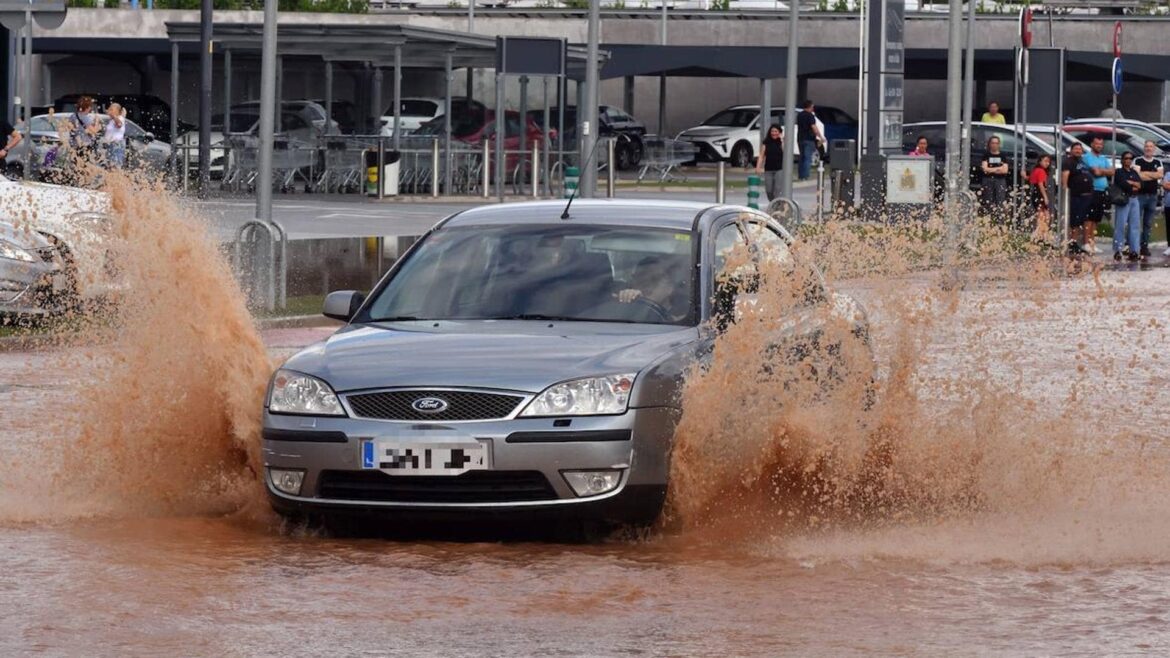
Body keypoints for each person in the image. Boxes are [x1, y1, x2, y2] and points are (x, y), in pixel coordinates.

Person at [616, 255, 689, 323]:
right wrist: (625, 300)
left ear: (671, 287)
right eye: (640, 278)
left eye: (655, 279)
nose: (646, 284)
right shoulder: (621, 306)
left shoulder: (687, 317)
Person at [1081, 136, 1115, 254]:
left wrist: (1102, 171)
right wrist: (1102, 171)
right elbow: (1095, 172)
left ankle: (1092, 243)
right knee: (1088, 217)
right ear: (1092, 144)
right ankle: (1085, 243)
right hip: (1091, 190)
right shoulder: (1086, 157)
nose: (1099, 146)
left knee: (1096, 218)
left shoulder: (1103, 158)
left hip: (1102, 190)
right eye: (1097, 144)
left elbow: (1112, 171)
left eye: (1101, 144)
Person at [1062, 142, 1095, 256]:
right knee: (1075, 221)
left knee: (1083, 220)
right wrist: (1065, 188)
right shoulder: (1068, 161)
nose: (1078, 151)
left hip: (1087, 196)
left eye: (1079, 149)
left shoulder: (1083, 162)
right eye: (1075, 149)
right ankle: (1072, 243)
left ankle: (1079, 243)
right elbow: (1065, 175)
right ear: (1071, 150)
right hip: (1076, 195)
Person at [1133, 140, 1163, 258]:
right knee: (1135, 222)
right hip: (1139, 196)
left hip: (1152, 196)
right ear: (1144, 147)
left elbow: (1160, 175)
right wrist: (1152, 174)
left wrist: (1144, 174)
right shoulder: (1138, 160)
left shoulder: (1158, 161)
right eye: (1146, 146)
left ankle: (1144, 246)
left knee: (1148, 223)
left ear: (1154, 149)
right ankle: (1132, 246)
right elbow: (1137, 176)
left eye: (1151, 146)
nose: (1148, 148)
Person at [1111, 152, 1142, 261]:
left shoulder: (1134, 172)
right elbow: (1123, 184)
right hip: (1124, 200)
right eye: (1126, 158)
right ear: (1122, 160)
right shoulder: (1119, 172)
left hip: (1134, 199)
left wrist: (1131, 183)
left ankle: (1134, 250)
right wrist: (1132, 184)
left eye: (1130, 158)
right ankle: (1117, 250)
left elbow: (1140, 185)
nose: (1128, 160)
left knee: (1135, 226)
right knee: (1120, 225)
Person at [978, 136, 1012, 221]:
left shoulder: (1002, 156)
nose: (994, 145)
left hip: (1000, 180)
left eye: (996, 143)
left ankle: (1000, 221)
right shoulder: (986, 155)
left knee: (1000, 200)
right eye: (992, 143)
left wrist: (991, 170)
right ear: (989, 144)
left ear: (999, 144)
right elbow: (985, 169)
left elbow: (1005, 170)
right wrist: (997, 168)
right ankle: (989, 220)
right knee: (988, 200)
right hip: (987, 180)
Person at [1027, 154, 1054, 243]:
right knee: (1044, 217)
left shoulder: (1035, 170)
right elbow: (1040, 184)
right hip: (1039, 194)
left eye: (1048, 162)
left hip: (1035, 194)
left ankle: (1041, 236)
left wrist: (1024, 175)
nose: (1047, 163)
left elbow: (1030, 179)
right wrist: (1045, 197)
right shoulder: (1041, 171)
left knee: (1043, 216)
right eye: (1045, 161)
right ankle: (1041, 236)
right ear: (1040, 161)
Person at [755, 124, 785, 202]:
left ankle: (775, 206)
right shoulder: (766, 143)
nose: (774, 133)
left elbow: (785, 152)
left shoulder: (781, 142)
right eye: (772, 131)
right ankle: (773, 203)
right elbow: (761, 156)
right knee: (769, 190)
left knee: (777, 190)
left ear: (780, 132)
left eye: (776, 131)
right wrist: (758, 167)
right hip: (768, 169)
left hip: (779, 169)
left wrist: (782, 140)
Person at [68, 96, 101, 162]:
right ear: (87, 107)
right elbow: (93, 131)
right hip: (85, 145)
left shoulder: (73, 116)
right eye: (90, 106)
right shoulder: (86, 118)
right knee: (85, 166)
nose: (90, 108)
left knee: (76, 165)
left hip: (75, 145)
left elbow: (69, 128)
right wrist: (97, 121)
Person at [795, 100, 822, 182]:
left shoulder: (800, 115)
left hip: (800, 138)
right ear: (810, 106)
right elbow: (813, 127)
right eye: (812, 106)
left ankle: (800, 175)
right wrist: (820, 136)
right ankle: (805, 176)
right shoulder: (810, 116)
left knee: (802, 157)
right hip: (809, 139)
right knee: (807, 158)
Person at [102, 102, 127, 169]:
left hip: (116, 145)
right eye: (109, 109)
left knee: (114, 166)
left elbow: (119, 124)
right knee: (109, 165)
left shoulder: (120, 118)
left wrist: (113, 116)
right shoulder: (111, 120)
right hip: (110, 145)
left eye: (111, 109)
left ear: (117, 111)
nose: (109, 111)